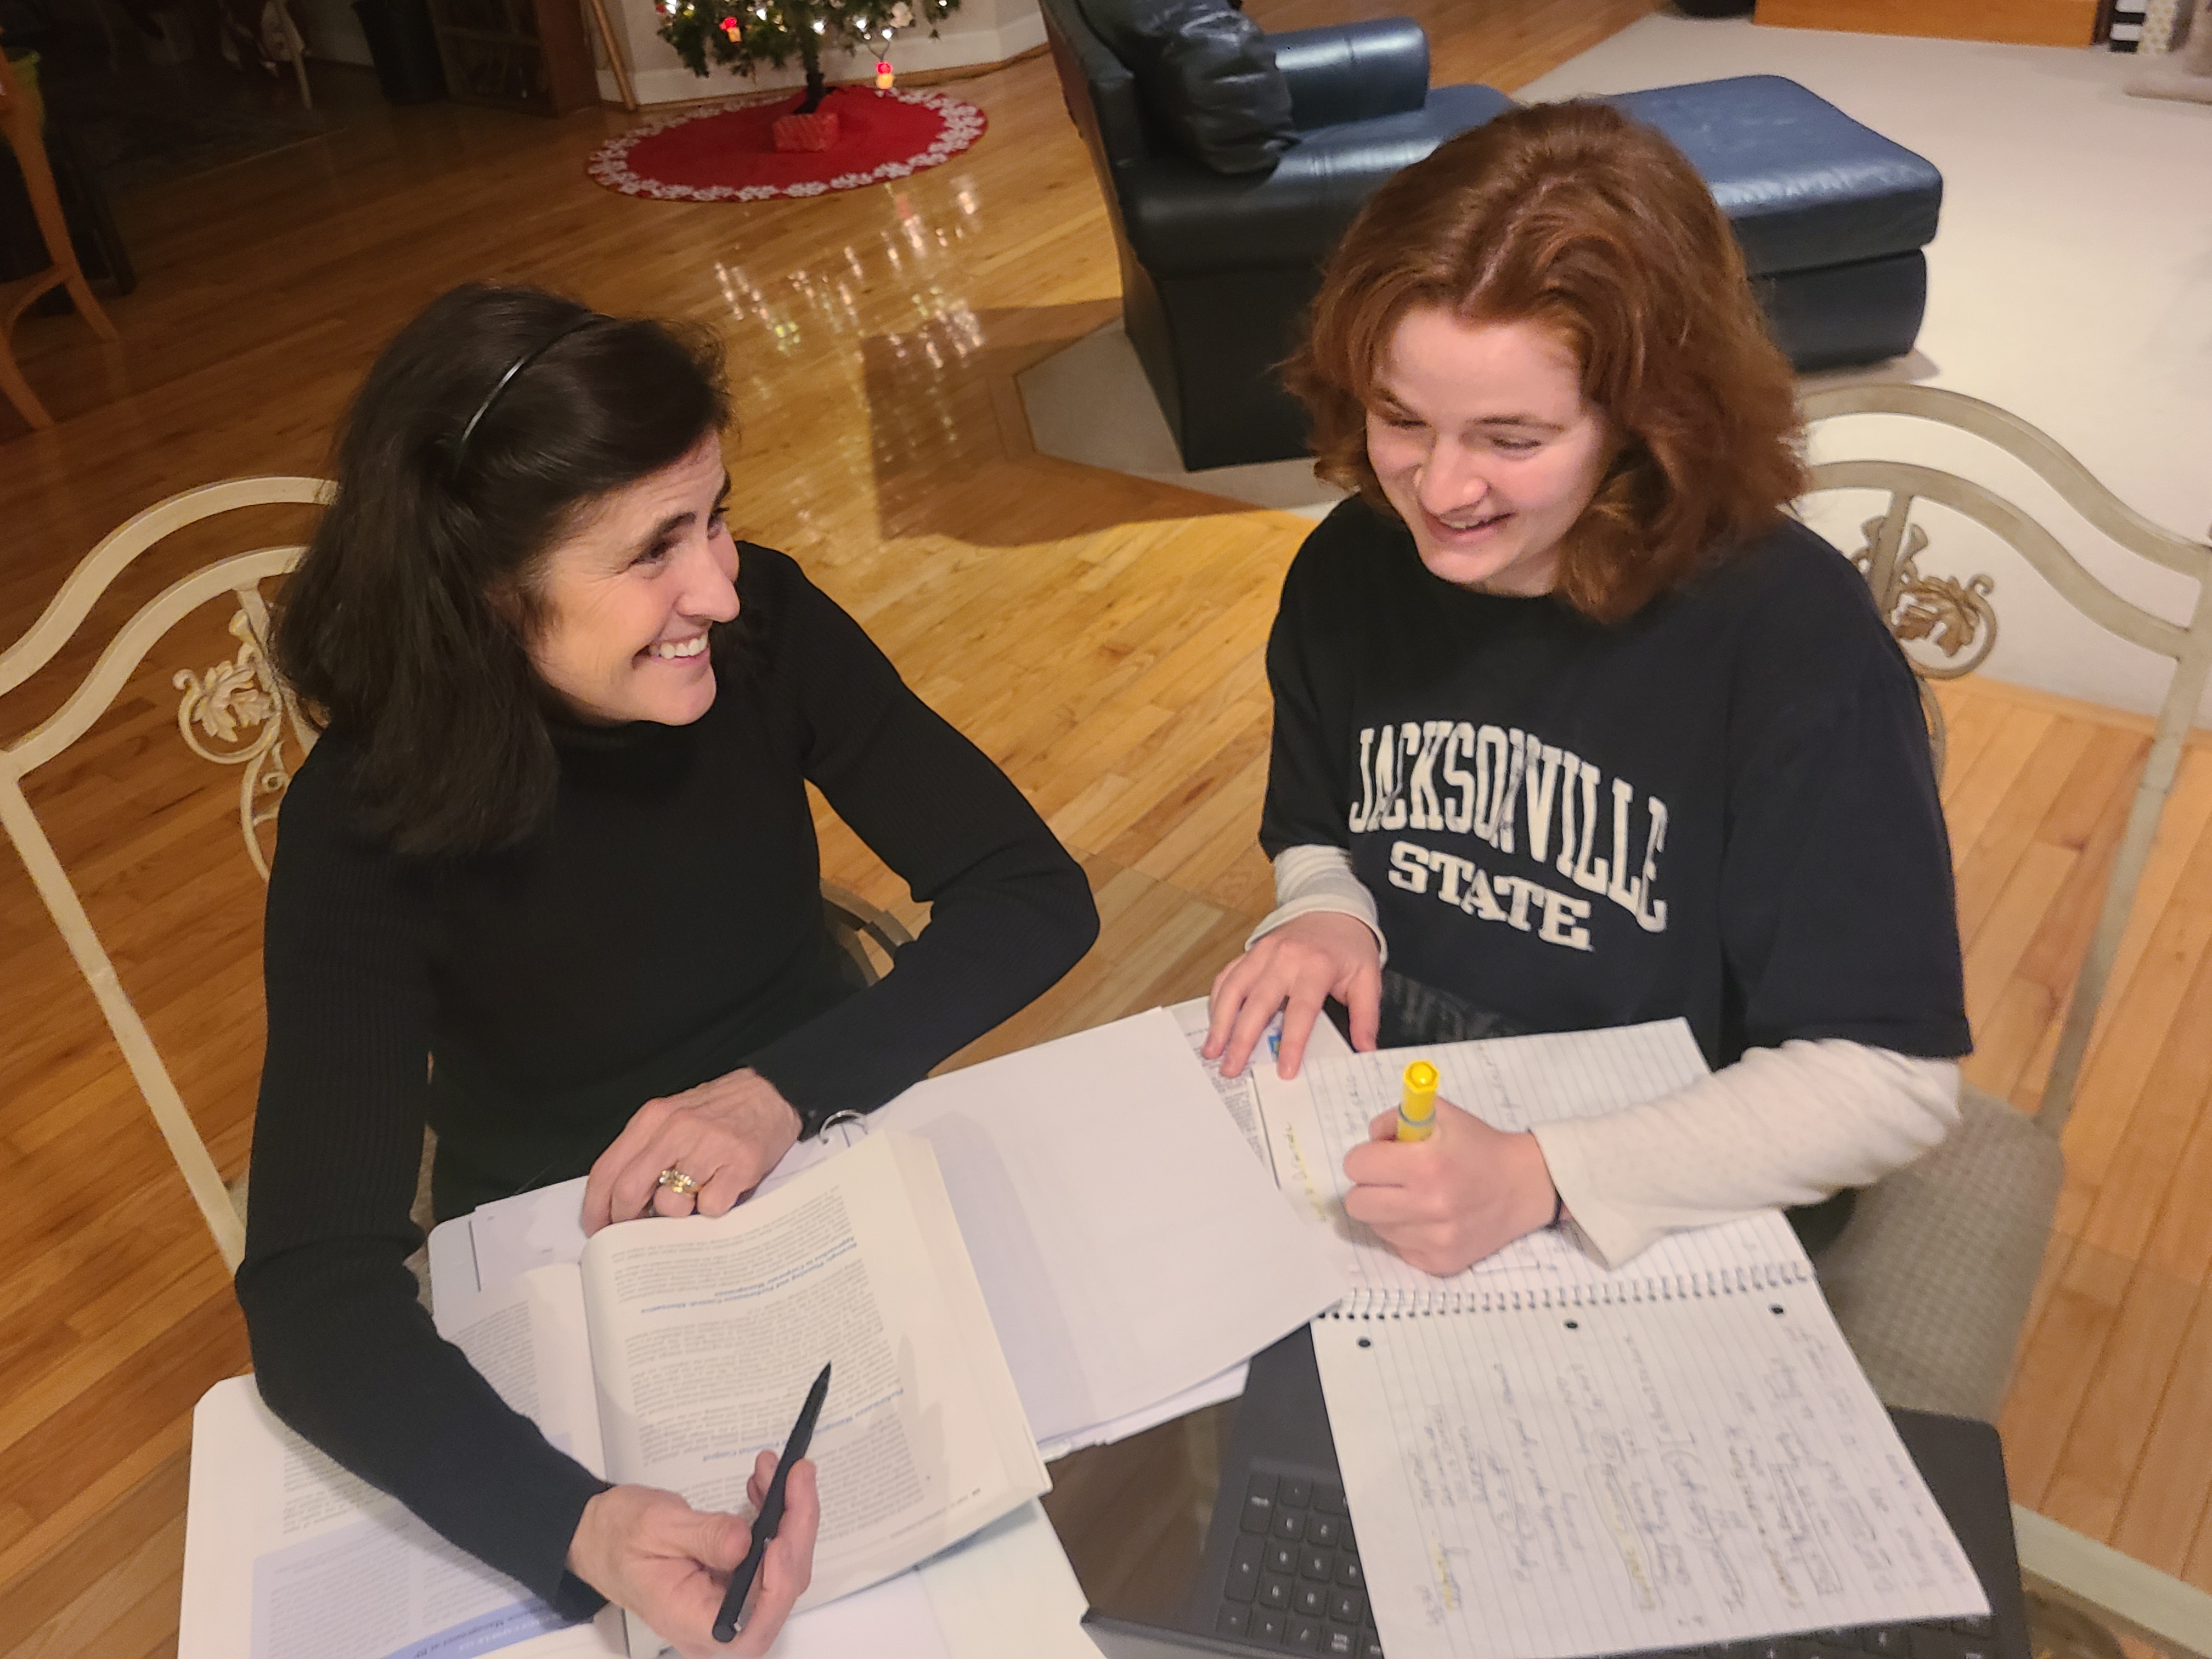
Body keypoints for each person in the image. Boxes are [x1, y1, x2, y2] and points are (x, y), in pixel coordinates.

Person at [238, 285, 1099, 1657]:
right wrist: (572, 1526)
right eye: (654, 550)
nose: (722, 587)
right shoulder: (364, 820)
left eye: (716, 518)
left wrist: (775, 1093)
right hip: (565, 1245)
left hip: (814, 1139)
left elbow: (1032, 892)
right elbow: (309, 1294)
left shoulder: (768, 632)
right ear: (486, 589)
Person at [1204, 101, 1969, 1280]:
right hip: (1406, 1113)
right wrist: (1323, 911)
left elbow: (1891, 1079)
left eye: (1512, 439)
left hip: (1665, 1177)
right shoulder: (1350, 567)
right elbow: (1317, 828)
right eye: (1402, 418)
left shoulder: (1790, 636)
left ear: (1650, 421)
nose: (1438, 490)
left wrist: (1542, 1174)